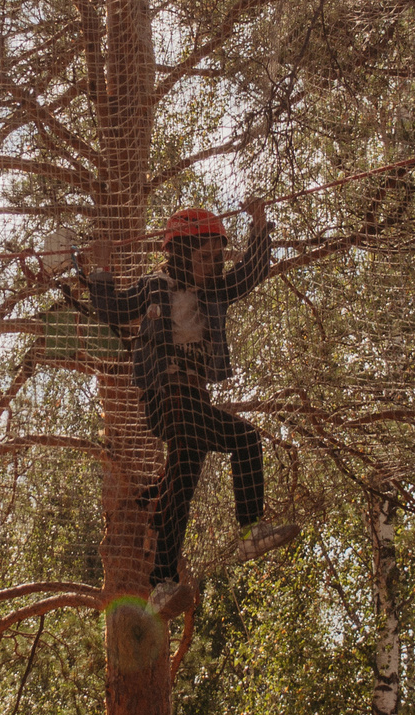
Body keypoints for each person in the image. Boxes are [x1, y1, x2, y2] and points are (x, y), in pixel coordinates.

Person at [78, 198, 288, 597]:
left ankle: (161, 585)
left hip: (194, 400)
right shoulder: (154, 286)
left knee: (180, 491)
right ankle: (249, 529)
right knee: (245, 439)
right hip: (167, 400)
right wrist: (101, 270)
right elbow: (111, 308)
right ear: (181, 253)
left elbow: (251, 273)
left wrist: (259, 226)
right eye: (208, 257)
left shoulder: (214, 291)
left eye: (218, 257)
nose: (216, 266)